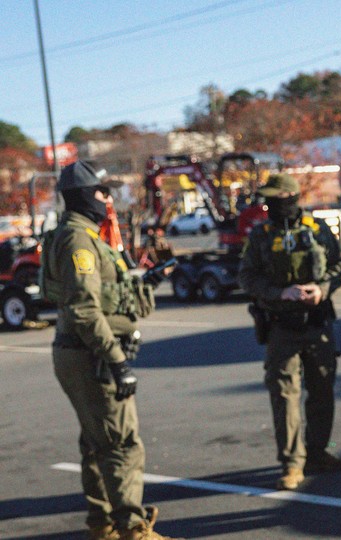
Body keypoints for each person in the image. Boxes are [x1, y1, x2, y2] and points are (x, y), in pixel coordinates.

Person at [44, 161, 178, 540]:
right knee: (121, 443)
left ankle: (103, 525)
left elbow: (101, 296)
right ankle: (133, 529)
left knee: (95, 442)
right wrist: (117, 361)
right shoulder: (78, 240)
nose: (107, 199)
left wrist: (142, 283)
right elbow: (85, 310)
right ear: (86, 195)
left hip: (82, 352)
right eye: (102, 192)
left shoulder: (79, 235)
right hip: (92, 355)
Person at [238, 173, 341, 490]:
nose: (271, 206)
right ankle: (291, 464)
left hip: (317, 324)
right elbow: (246, 277)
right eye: (268, 200)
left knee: (322, 391)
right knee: (284, 397)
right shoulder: (261, 234)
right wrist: (279, 293)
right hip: (280, 328)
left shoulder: (316, 229)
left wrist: (322, 289)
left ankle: (317, 454)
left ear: (291, 198)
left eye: (277, 199)